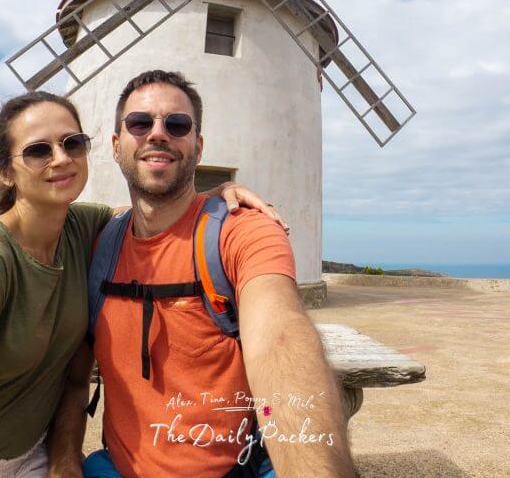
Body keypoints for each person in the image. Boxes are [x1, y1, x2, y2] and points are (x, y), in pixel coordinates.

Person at [0, 90, 277, 478]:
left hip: (27, 460)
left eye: (72, 143)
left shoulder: (83, 228)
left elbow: (154, 211)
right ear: (6, 171)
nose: (61, 158)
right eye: (37, 151)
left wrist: (212, 197)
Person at [48, 71, 356, 478]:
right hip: (119, 469)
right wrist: (65, 462)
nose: (158, 133)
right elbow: (74, 376)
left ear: (198, 146)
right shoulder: (99, 242)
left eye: (178, 124)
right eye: (140, 122)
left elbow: (280, 340)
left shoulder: (244, 230)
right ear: (116, 144)